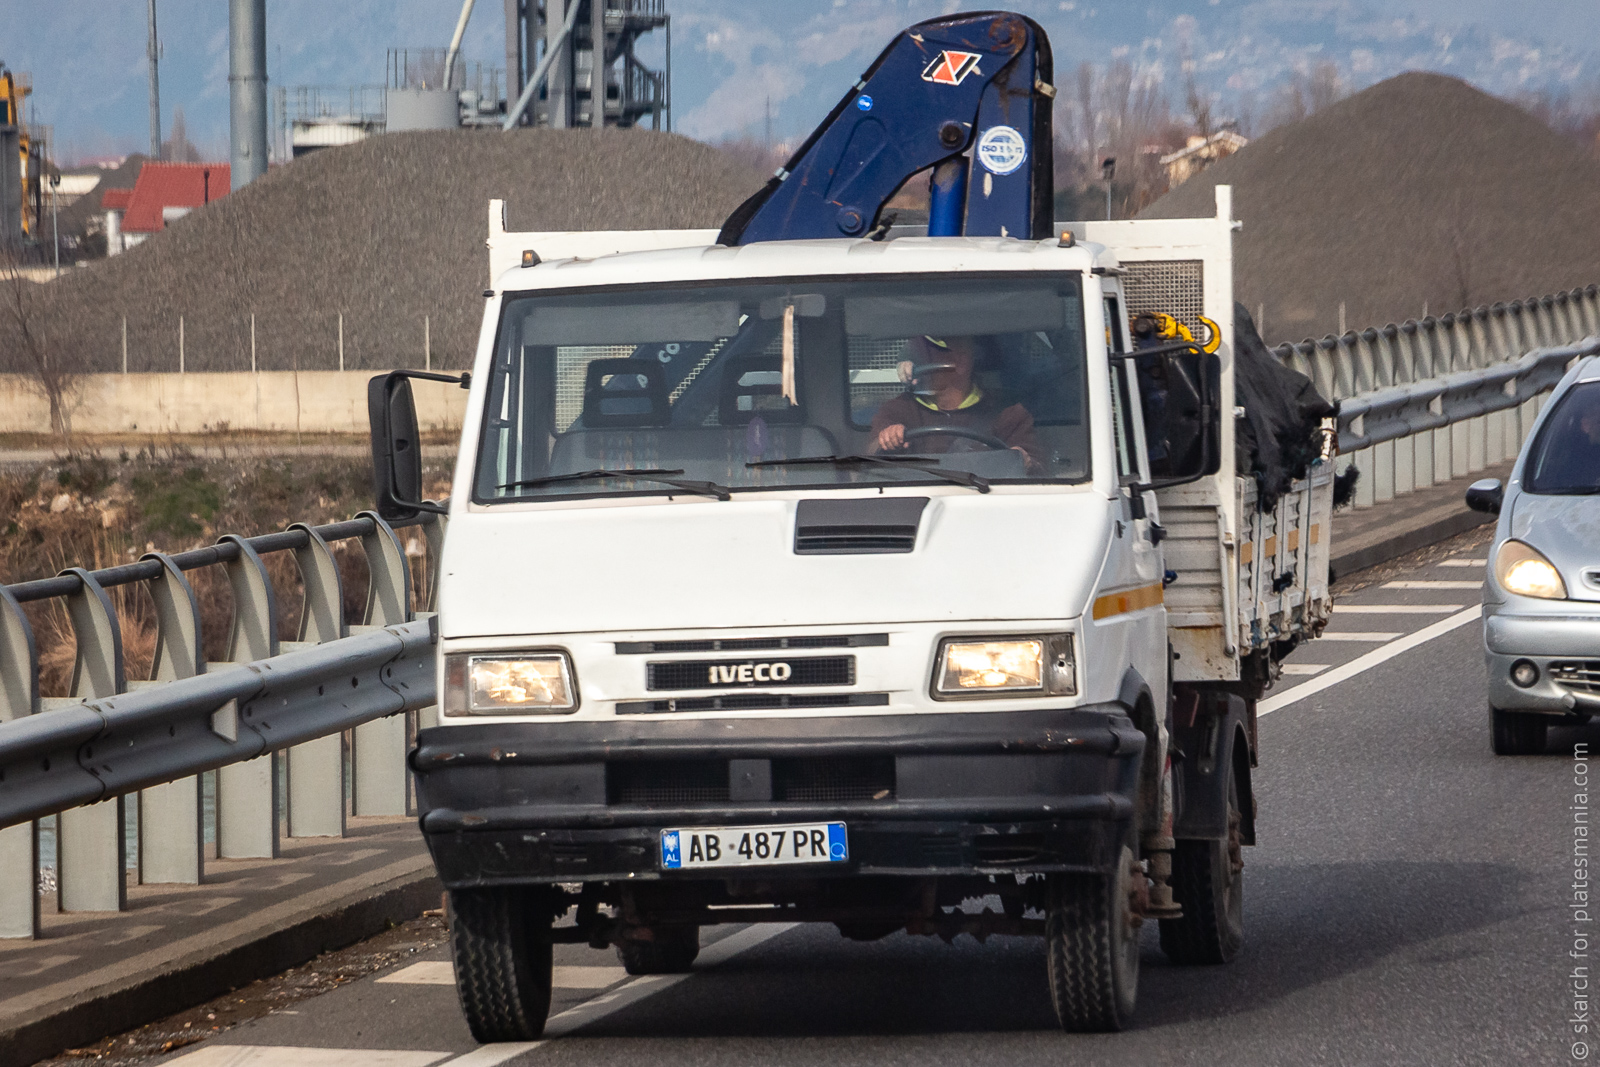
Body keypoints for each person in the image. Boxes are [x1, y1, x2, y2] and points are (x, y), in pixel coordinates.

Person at [871, 335, 1043, 471]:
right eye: (914, 354)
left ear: (961, 362)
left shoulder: (1008, 413)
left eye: (930, 352)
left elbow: (1038, 473)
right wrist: (887, 439)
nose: (914, 363)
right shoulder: (897, 410)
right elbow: (865, 462)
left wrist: (1024, 460)